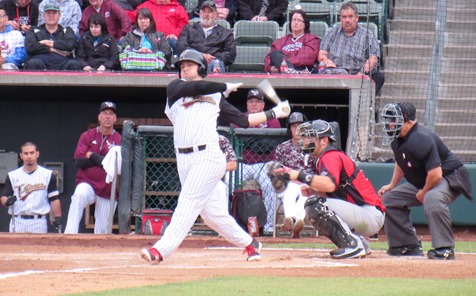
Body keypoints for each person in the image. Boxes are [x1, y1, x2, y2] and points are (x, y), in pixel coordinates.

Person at [140, 49, 291, 264]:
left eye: (189, 65)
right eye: (182, 66)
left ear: (201, 68)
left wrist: (275, 113)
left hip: (209, 156)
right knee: (212, 216)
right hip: (184, 159)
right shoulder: (175, 88)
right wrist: (223, 86)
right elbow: (197, 87)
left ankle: (160, 250)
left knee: (188, 202)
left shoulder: (215, 96)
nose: (184, 68)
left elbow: (243, 121)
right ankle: (250, 243)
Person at [274, 119, 385, 259]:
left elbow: (330, 184)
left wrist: (299, 175)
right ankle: (360, 244)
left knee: (315, 205)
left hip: (369, 214)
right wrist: (314, 190)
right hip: (364, 213)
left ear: (324, 141)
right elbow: (332, 191)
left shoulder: (330, 156)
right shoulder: (322, 158)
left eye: (311, 137)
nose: (306, 141)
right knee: (316, 201)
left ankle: (353, 245)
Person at [378, 102, 473, 260]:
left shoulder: (421, 138)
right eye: (389, 119)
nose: (390, 124)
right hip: (427, 178)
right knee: (388, 198)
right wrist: (392, 185)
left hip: (449, 176)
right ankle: (407, 245)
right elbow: (401, 161)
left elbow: (436, 174)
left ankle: (445, 248)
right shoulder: (397, 138)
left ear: (409, 122)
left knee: (432, 198)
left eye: (394, 120)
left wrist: (424, 191)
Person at [64, 101, 122, 234]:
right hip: (88, 183)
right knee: (78, 195)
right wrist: (104, 160)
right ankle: (69, 235)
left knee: (101, 231)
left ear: (115, 118)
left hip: (108, 188)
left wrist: (93, 156)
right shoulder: (87, 135)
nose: (107, 116)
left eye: (111, 114)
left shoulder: (119, 139)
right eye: (105, 113)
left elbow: (114, 166)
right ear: (99, 117)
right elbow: (79, 161)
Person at [318, 1, 384, 95]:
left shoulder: (367, 34)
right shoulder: (331, 32)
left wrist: (361, 73)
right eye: (344, 17)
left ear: (356, 18)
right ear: (340, 18)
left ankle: (365, 104)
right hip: (336, 72)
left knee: (378, 77)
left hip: (358, 72)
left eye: (350, 16)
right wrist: (326, 61)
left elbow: (373, 58)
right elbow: (322, 54)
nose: (347, 20)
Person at [239, 88, 281, 234]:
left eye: (257, 101)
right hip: (242, 164)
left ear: (263, 105)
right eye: (251, 101)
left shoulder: (271, 119)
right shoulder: (240, 118)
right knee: (227, 185)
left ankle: (269, 227)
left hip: (264, 164)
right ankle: (230, 226)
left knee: (270, 186)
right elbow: (237, 141)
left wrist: (249, 139)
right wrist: (259, 140)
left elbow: (270, 145)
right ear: (247, 104)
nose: (254, 104)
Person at [0, 142, 62, 233]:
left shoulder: (48, 175)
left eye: (32, 153)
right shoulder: (12, 175)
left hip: (38, 221)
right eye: (26, 153)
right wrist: (7, 202)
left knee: (38, 247)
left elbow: (54, 199)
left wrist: (58, 218)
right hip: (18, 220)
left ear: (37, 154)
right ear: (21, 156)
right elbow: (4, 196)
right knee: (15, 247)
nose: (29, 156)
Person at [270, 112, 314, 238]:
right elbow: (277, 171)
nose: (297, 129)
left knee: (306, 193)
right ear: (289, 129)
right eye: (294, 126)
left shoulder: (313, 147)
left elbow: (318, 169)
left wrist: (305, 180)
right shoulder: (282, 148)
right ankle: (294, 221)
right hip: (289, 182)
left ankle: (292, 220)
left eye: (300, 125)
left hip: (308, 182)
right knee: (289, 191)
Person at [177, 0, 236, 73]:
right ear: (200, 14)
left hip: (214, 64)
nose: (206, 14)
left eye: (210, 12)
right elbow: (181, 47)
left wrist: (213, 58)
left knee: (216, 64)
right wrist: (200, 56)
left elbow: (230, 53)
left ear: (215, 15)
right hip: (193, 62)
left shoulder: (225, 33)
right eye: (204, 12)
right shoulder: (188, 29)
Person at [23, 2, 82, 70]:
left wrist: (49, 43)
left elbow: (70, 45)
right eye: (48, 13)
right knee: (33, 63)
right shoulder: (34, 30)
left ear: (59, 15)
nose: (51, 16)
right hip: (40, 62)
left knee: (74, 64)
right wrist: (50, 49)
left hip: (62, 63)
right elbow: (30, 47)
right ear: (43, 15)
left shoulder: (67, 30)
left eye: (54, 13)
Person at [264, 10, 320, 74]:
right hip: (282, 72)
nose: (296, 23)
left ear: (305, 24)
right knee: (275, 54)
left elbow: (305, 59)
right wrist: (271, 68)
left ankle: (290, 71)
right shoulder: (281, 41)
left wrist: (284, 61)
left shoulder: (311, 39)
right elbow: (269, 59)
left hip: (302, 72)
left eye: (299, 20)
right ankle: (290, 71)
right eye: (294, 20)